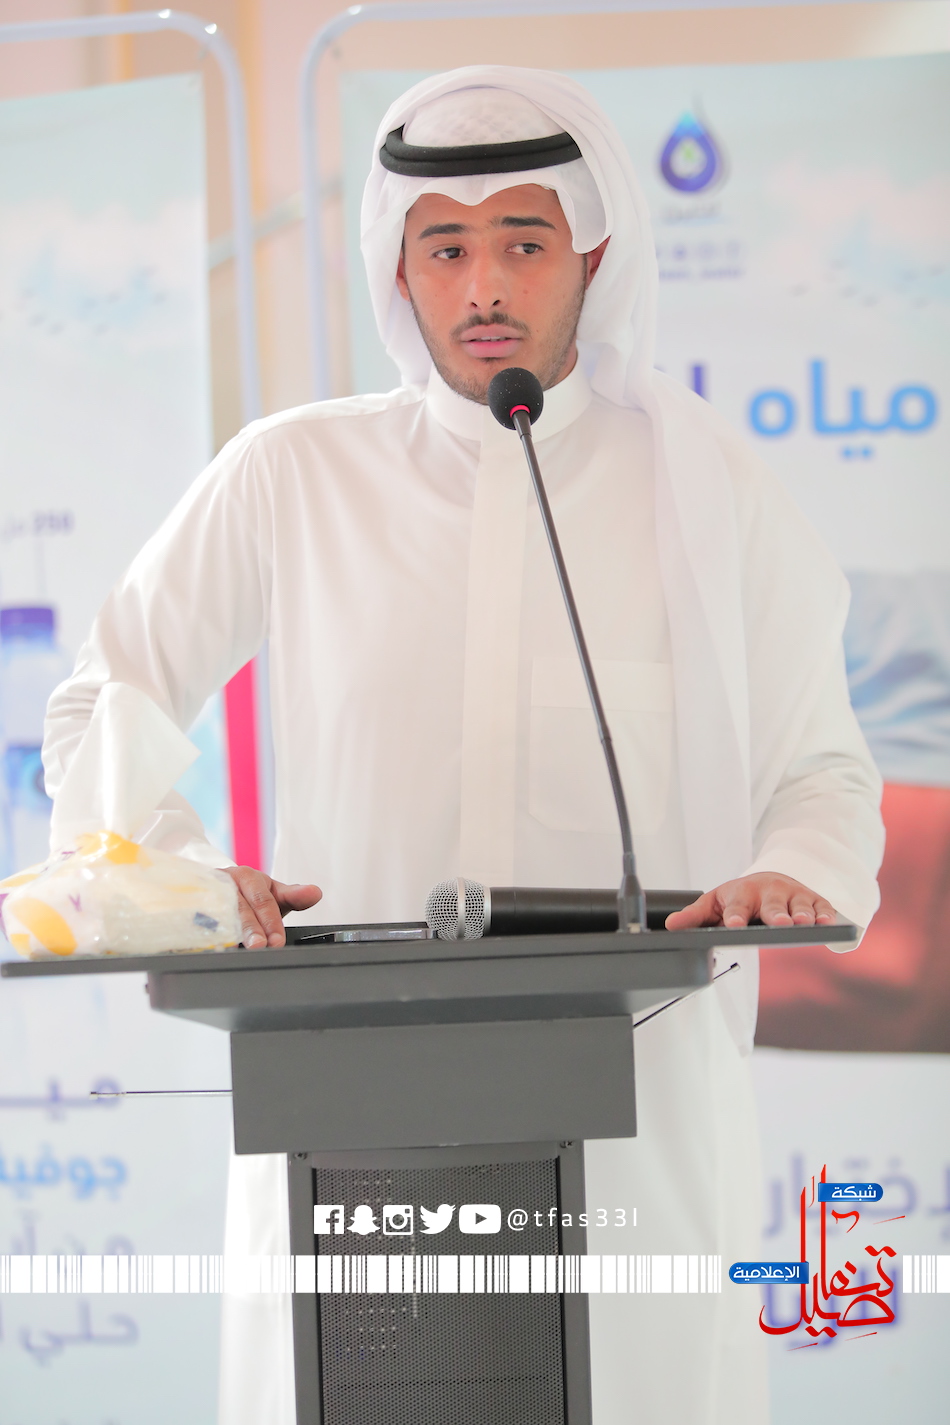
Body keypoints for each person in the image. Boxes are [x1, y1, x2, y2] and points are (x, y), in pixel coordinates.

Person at [43, 67, 884, 1425]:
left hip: (632, 1109)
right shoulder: (292, 474)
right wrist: (192, 886)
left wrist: (797, 866)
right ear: (398, 267)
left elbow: (821, 772)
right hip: (347, 1106)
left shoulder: (707, 486)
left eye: (522, 241)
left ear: (593, 254)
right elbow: (101, 704)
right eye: (445, 246)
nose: (483, 283)